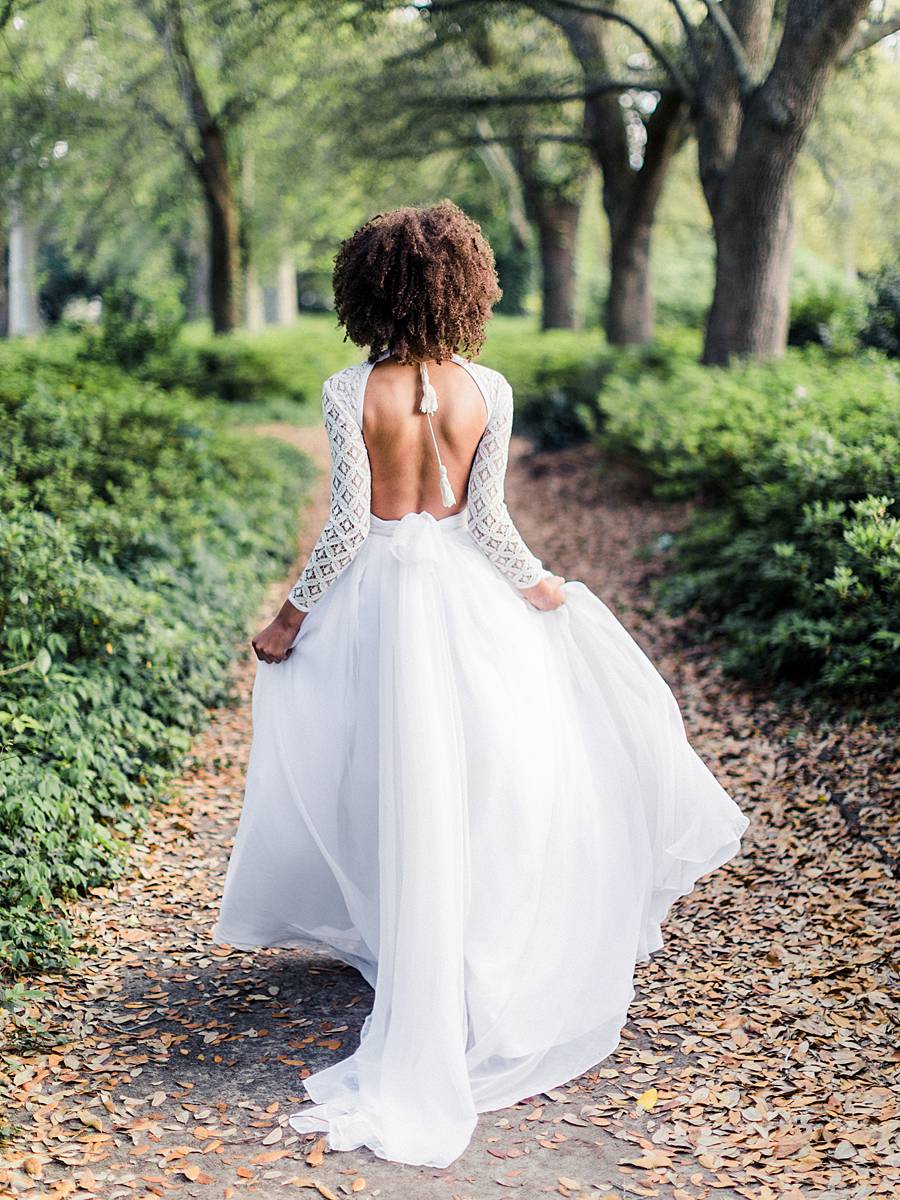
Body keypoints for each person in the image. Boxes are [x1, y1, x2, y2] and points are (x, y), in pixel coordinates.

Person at [212, 199, 749, 1169]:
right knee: (484, 775)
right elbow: (491, 525)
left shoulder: (348, 390)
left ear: (366, 289)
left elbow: (344, 529)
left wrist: (290, 619)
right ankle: (468, 949)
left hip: (382, 605)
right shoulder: (489, 391)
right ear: (466, 288)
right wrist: (545, 591)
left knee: (383, 772)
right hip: (465, 603)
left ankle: (409, 938)